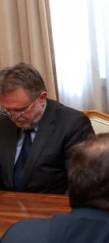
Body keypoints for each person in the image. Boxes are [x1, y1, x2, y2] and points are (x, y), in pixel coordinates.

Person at [0, 62, 93, 193]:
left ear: (42, 98)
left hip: (52, 203)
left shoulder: (73, 124)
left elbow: (81, 183)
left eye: (20, 110)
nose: (14, 116)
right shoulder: (3, 122)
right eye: (8, 110)